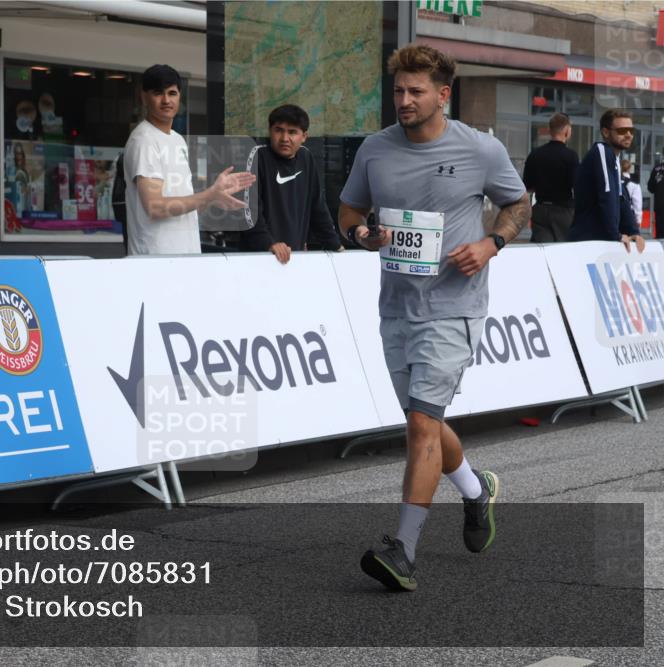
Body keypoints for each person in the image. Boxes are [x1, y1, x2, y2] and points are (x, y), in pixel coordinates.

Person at [338, 44, 530, 592]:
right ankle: (476, 490)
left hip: (454, 305)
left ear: (442, 94)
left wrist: (492, 243)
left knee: (422, 423)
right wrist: (361, 234)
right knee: (422, 421)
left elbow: (519, 206)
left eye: (415, 91)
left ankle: (403, 549)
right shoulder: (374, 150)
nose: (404, 99)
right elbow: (349, 210)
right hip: (396, 304)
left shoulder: (481, 149)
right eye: (398, 90)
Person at [124, 64, 254, 256]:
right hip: (156, 259)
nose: (166, 100)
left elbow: (183, 206)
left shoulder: (177, 139)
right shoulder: (144, 140)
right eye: (158, 93)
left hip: (185, 256)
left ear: (180, 96)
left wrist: (213, 198)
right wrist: (209, 194)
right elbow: (155, 207)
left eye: (172, 93)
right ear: (143, 97)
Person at [239, 104, 342, 262]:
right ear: (270, 131)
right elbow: (248, 211)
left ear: (304, 136)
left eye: (292, 132)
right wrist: (269, 244)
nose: (284, 138)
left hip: (295, 258)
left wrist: (335, 245)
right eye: (278, 130)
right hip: (259, 258)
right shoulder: (256, 156)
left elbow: (318, 208)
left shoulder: (306, 157)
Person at [568, 109, 645, 253]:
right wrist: (615, 235)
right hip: (587, 241)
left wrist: (634, 232)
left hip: (600, 241)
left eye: (631, 130)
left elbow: (621, 200)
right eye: (622, 130)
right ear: (605, 132)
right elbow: (607, 195)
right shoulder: (601, 151)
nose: (628, 134)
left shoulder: (614, 159)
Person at [522, 112, 578, 243]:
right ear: (567, 130)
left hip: (540, 210)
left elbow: (527, 187)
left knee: (543, 251)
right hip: (563, 212)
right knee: (563, 251)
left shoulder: (535, 154)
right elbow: (577, 186)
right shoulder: (571, 156)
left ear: (549, 130)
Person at [621, 159, 642, 229]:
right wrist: (638, 219)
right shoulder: (634, 184)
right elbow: (637, 203)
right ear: (629, 168)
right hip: (629, 214)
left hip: (615, 214)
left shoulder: (614, 181)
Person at [649, 155, 664, 239]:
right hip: (660, 207)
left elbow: (650, 188)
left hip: (660, 206)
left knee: (660, 234)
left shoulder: (656, 169)